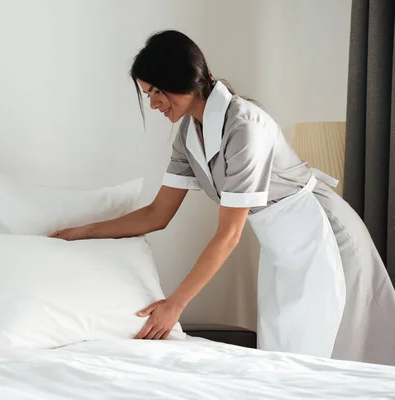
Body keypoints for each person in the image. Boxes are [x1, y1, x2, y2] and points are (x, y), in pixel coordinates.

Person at [49, 30, 395, 366]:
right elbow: (157, 214)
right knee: (287, 353)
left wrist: (174, 306)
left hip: (322, 235)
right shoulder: (188, 134)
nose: (153, 104)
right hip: (282, 244)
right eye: (147, 94)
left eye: (157, 91)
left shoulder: (246, 127)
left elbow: (228, 235)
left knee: (332, 350)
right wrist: (80, 233)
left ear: (184, 79)